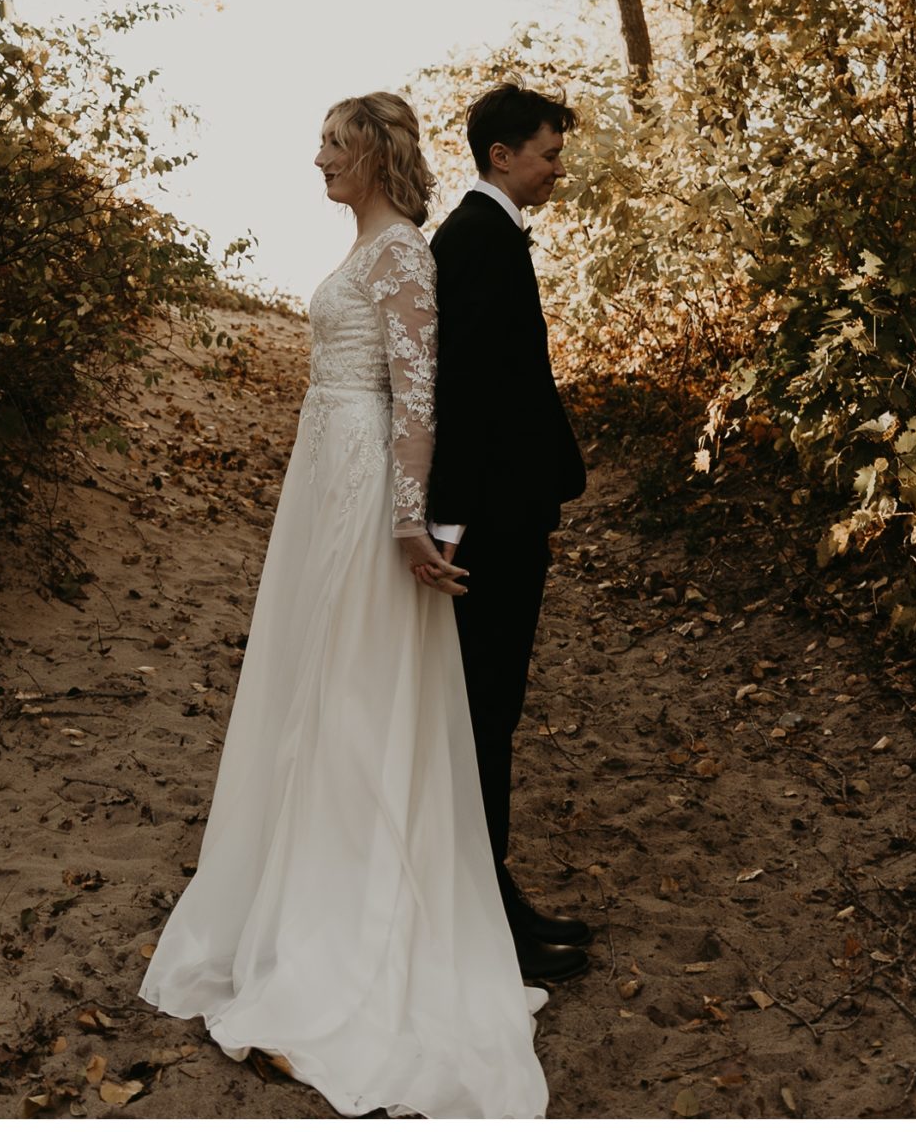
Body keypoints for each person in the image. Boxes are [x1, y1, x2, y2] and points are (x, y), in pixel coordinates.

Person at [138, 91, 548, 1120]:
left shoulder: (406, 254)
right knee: (313, 685)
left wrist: (412, 519)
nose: (314, 156)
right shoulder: (367, 246)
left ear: (368, 154)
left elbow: (419, 397)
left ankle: (359, 921)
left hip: (368, 482)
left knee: (363, 693)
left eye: (329, 142)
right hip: (322, 472)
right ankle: (292, 897)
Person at [426, 82, 593, 981]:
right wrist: (448, 522)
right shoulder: (477, 244)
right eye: (548, 153)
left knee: (492, 708)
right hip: (488, 524)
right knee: (486, 709)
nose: (555, 167)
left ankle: (492, 892)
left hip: (500, 511)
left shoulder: (481, 238)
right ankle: (488, 910)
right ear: (502, 156)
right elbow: (464, 396)